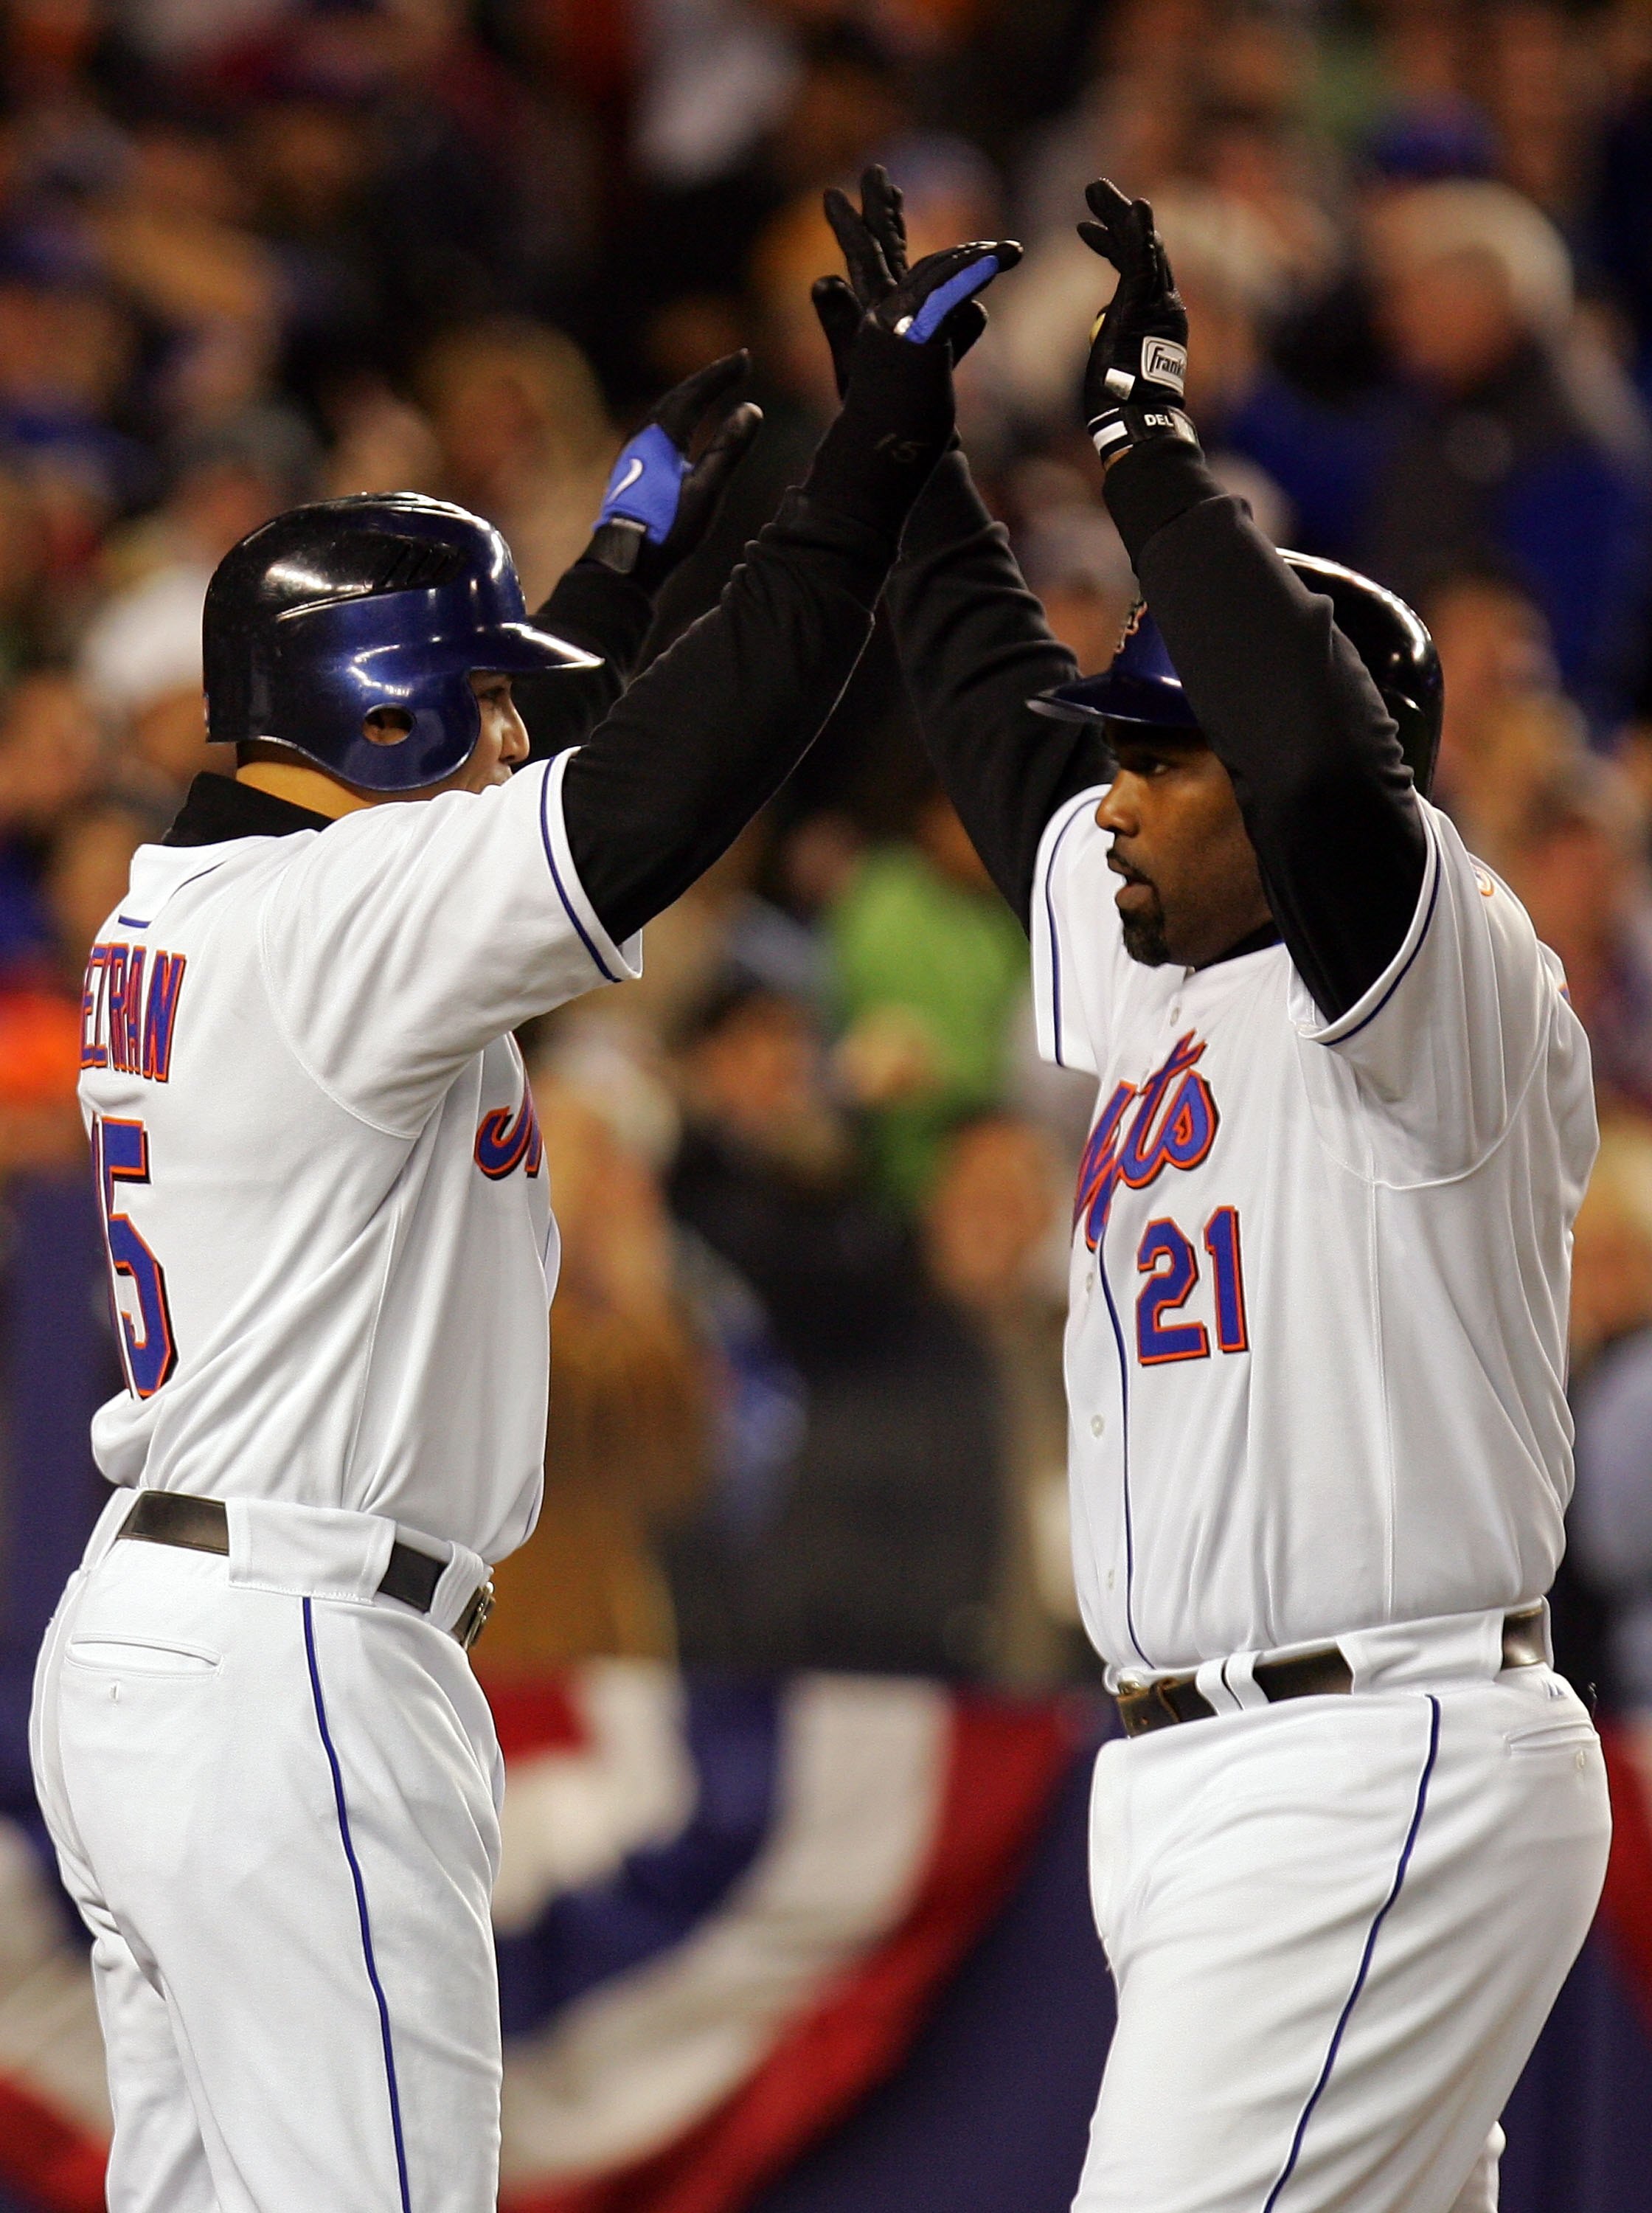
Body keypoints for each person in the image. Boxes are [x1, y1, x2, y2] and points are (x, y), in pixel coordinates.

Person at [27, 226, 1020, 2213]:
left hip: (161, 1648)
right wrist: (855, 490)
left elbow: (531, 787)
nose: (507, 734)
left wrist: (614, 576)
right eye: (469, 703)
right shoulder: (335, 927)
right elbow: (652, 791)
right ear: (380, 720)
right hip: (300, 1652)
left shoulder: (207, 897)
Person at [815, 167, 1611, 2213]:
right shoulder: (1171, 962)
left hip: (1376, 1752)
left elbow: (1339, 788)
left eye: (1170, 758)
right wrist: (913, 472)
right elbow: (1000, 724)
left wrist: (1161, 463)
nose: (1122, 797)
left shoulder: (1446, 977)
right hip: (1201, 1769)